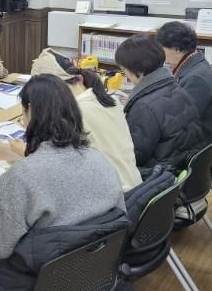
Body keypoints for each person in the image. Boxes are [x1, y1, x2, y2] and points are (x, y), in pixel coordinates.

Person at [0, 74, 128, 291]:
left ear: (30, 111)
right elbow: (118, 219)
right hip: (92, 283)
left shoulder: (22, 176)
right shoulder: (99, 160)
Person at [31, 48, 142, 192]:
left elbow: (51, 165)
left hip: (112, 196)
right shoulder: (110, 100)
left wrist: (23, 149)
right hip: (135, 187)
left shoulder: (71, 114)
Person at [114, 35, 204, 169]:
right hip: (183, 167)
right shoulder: (176, 87)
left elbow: (134, 157)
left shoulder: (143, 106)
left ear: (136, 69)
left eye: (124, 69)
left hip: (160, 173)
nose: (125, 75)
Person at [156, 21, 212, 144]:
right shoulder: (195, 63)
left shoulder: (195, 79)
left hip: (202, 145)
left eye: (163, 49)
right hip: (201, 137)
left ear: (176, 49)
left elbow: (181, 122)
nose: (162, 56)